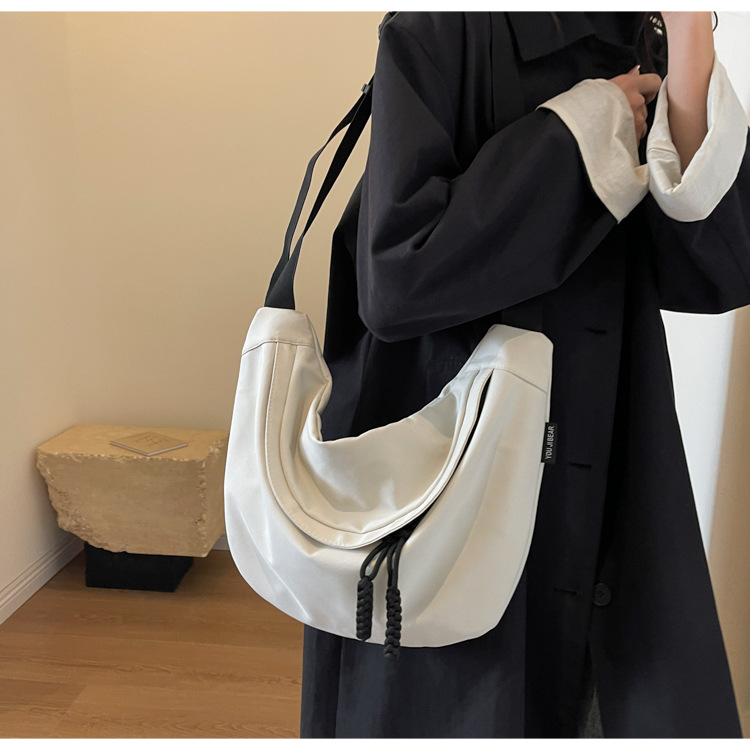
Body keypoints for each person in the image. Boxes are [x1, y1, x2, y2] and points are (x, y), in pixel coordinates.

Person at [300, 11, 750, 738]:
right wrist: (577, 138)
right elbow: (397, 278)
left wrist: (693, 39)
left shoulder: (639, 37)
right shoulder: (443, 30)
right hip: (453, 477)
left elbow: (718, 271)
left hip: (609, 455)